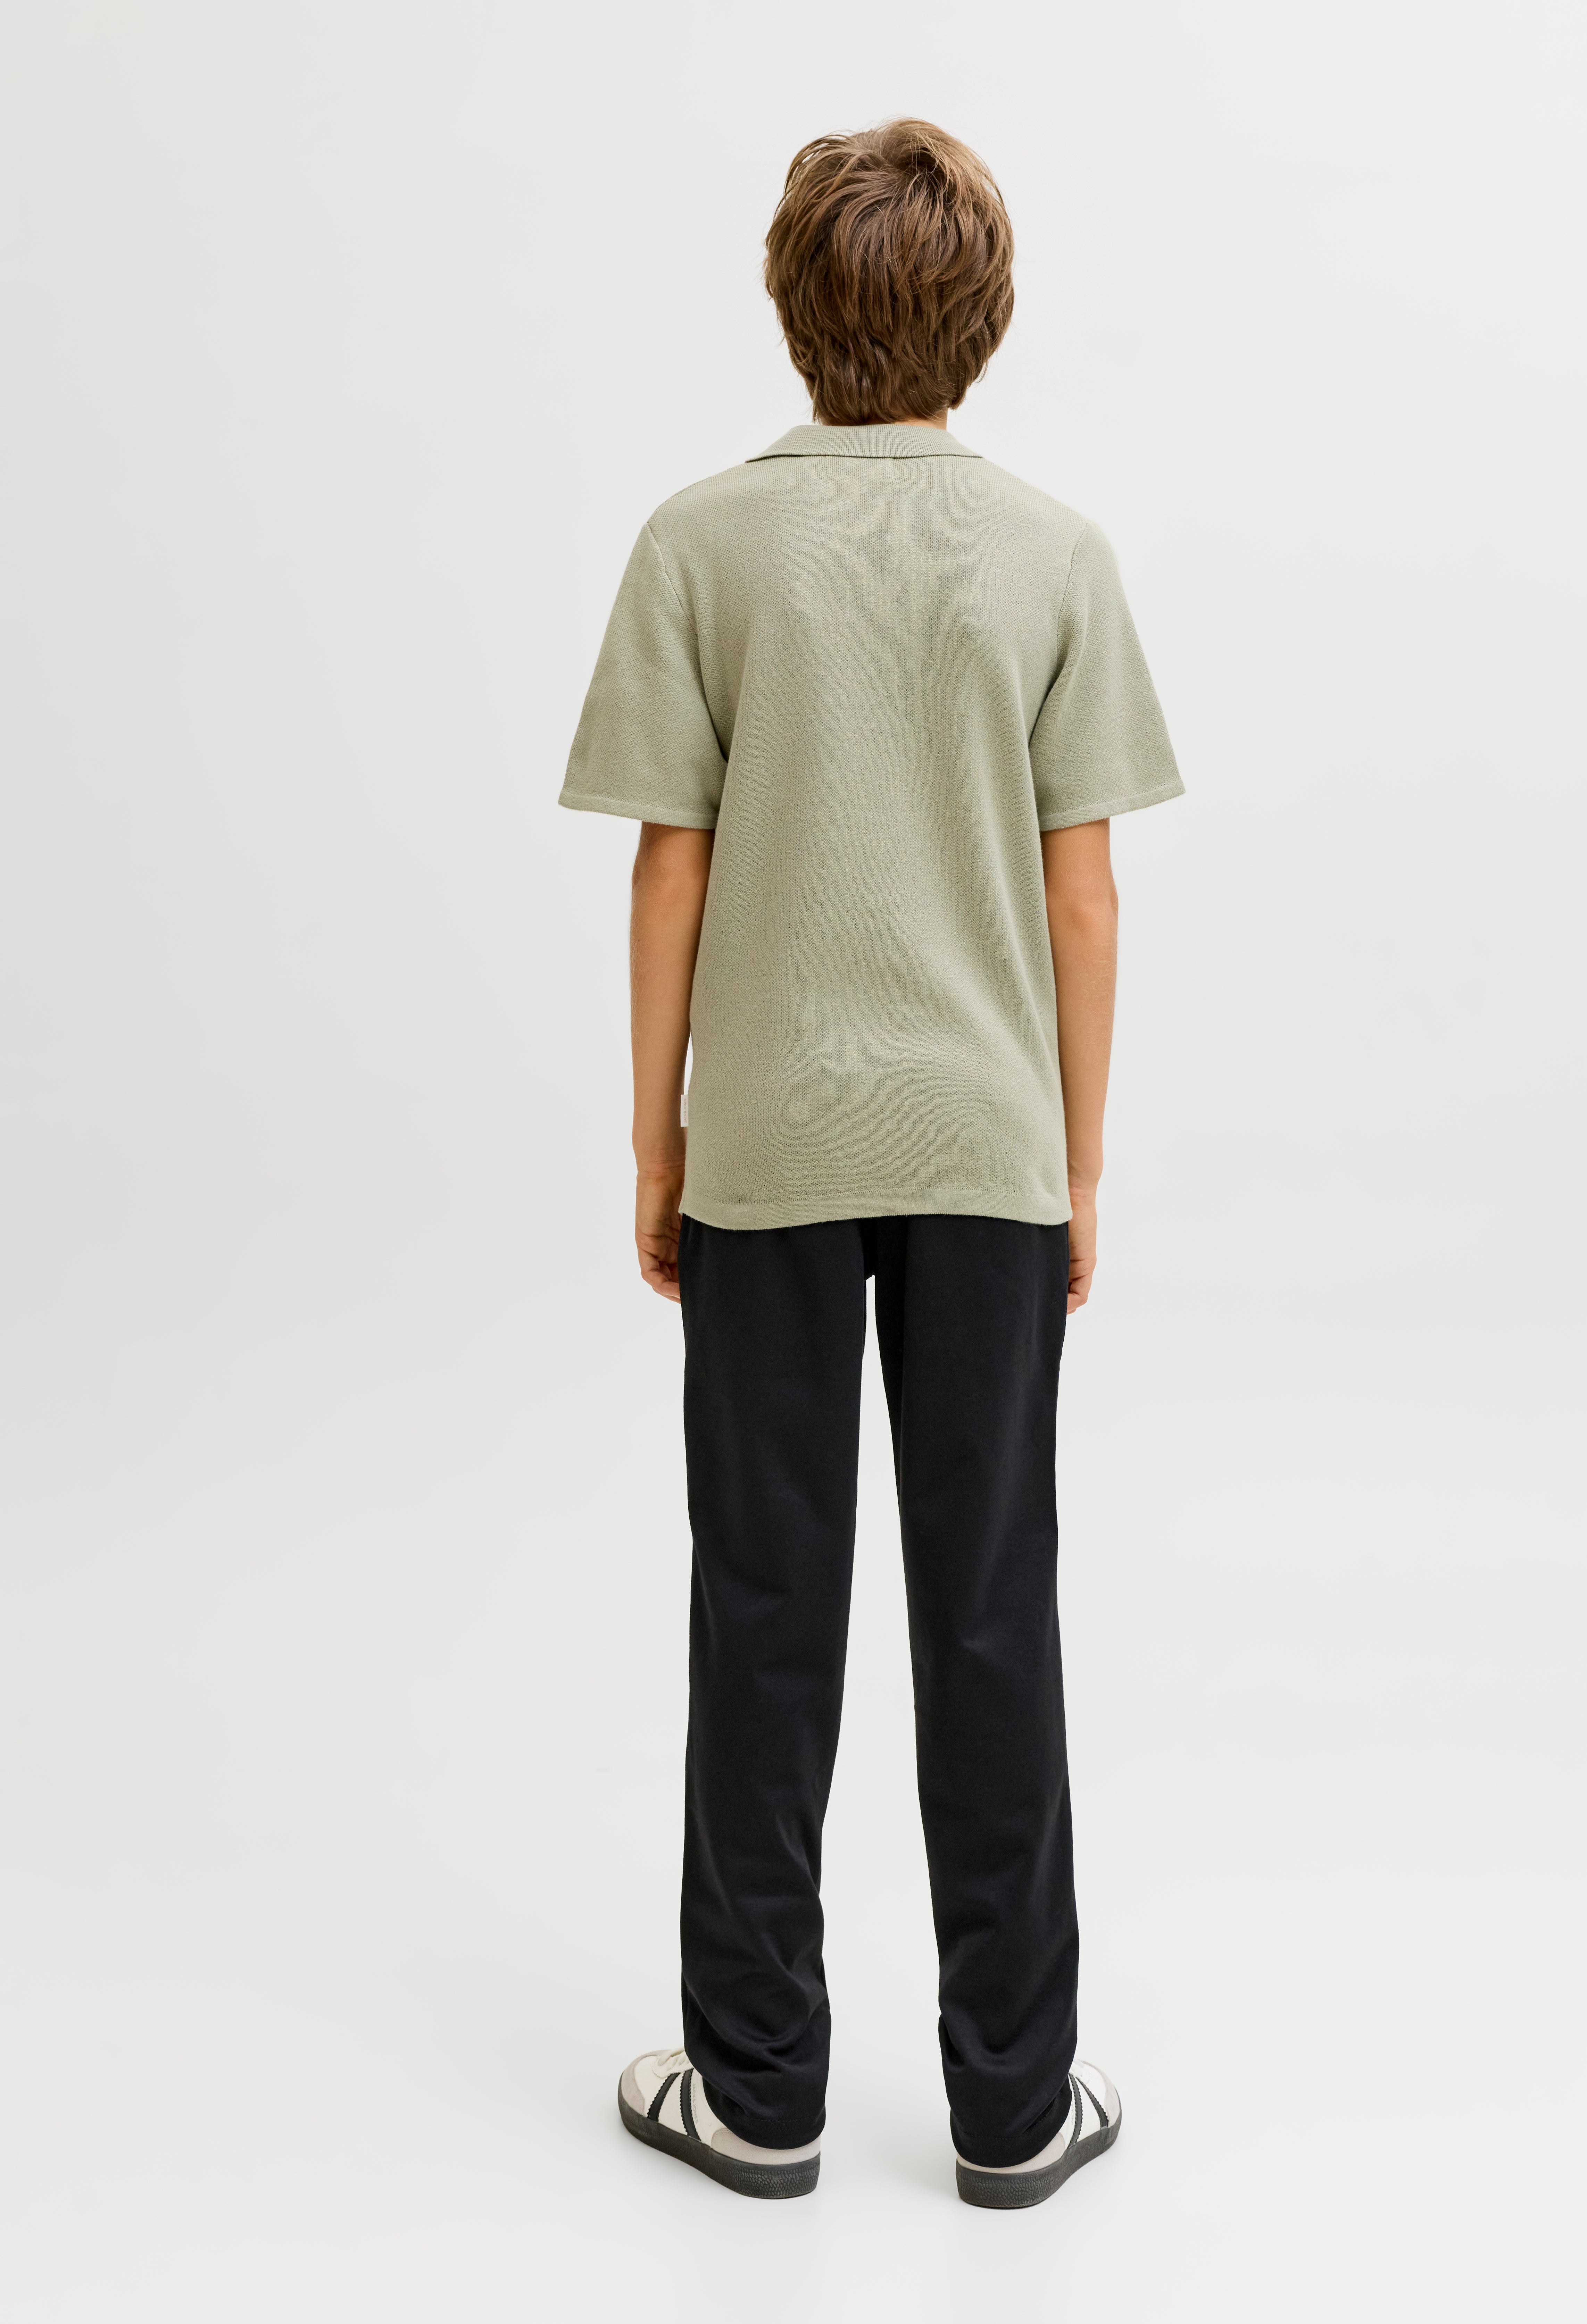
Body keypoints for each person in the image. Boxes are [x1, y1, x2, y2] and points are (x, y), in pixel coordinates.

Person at [560, 119, 1181, 2207]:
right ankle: (1014, 2104)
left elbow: (671, 872)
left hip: (768, 1146)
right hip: (992, 1150)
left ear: (792, 306)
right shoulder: (1053, 555)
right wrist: (1079, 1165)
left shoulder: (701, 544)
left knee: (766, 1602)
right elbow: (1084, 899)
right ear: (983, 317)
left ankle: (759, 2089)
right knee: (991, 1607)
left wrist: (655, 1135)